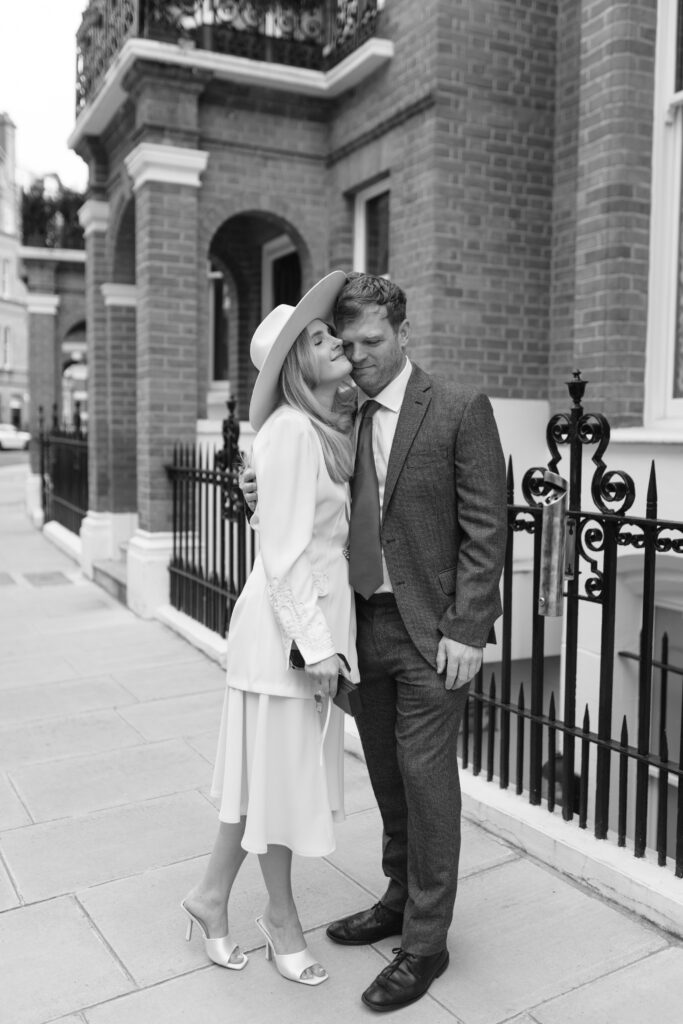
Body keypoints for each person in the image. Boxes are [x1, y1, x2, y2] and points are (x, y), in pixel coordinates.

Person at [243, 273, 507, 1012]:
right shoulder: (341, 409)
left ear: (402, 333)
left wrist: (468, 627)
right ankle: (398, 897)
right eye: (348, 343)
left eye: (372, 342)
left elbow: (488, 527)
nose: (358, 356)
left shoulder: (456, 408)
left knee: (426, 786)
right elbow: (308, 492)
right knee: (389, 782)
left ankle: (425, 944)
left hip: (430, 634)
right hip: (360, 627)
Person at [182, 270, 359, 987]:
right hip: (285, 639)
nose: (335, 339)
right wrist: (316, 647)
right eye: (319, 337)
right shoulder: (290, 432)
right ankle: (278, 920)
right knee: (277, 788)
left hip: (293, 632)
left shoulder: (317, 431)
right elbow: (282, 558)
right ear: (296, 365)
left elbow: (283, 527)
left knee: (261, 787)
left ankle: (209, 897)